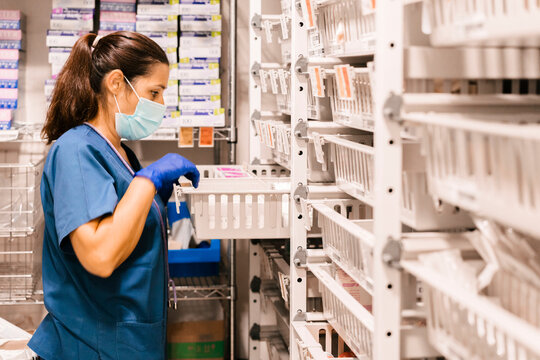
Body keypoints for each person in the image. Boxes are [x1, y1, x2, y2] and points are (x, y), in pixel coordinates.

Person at [27, 31, 199, 360]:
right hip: (90, 345)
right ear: (117, 83)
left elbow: (125, 228)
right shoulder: (76, 150)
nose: (161, 105)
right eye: (154, 91)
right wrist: (147, 182)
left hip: (125, 342)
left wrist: (152, 197)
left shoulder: (121, 153)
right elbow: (100, 255)